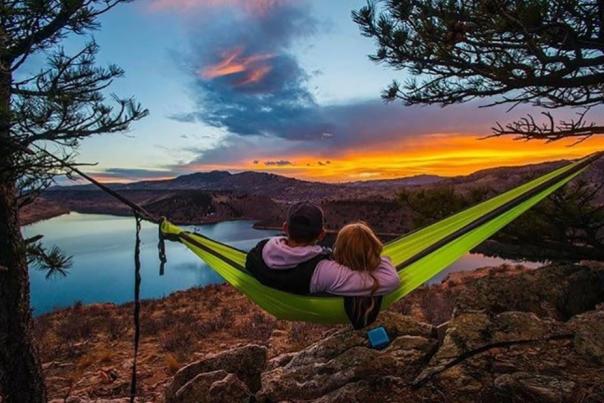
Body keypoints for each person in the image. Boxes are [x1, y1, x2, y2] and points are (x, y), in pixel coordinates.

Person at [245, 202, 400, 296]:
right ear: (321, 234)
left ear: (285, 228)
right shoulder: (324, 271)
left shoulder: (260, 251)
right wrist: (374, 252)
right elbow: (390, 281)